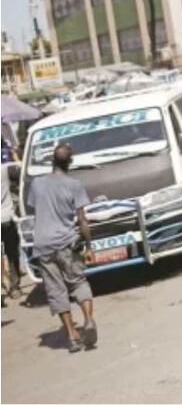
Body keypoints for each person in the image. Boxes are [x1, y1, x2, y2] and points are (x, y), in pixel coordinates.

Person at [25, 143, 97, 353]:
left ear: (52, 161)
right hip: (67, 243)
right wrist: (89, 246)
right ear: (70, 162)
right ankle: (88, 319)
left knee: (56, 291)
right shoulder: (75, 185)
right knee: (78, 282)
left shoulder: (37, 184)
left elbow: (34, 209)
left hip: (44, 246)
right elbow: (82, 220)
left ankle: (72, 337)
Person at [2, 137, 21, 299]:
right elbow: (22, 172)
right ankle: (14, 287)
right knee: (12, 252)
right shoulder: (5, 169)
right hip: (7, 219)